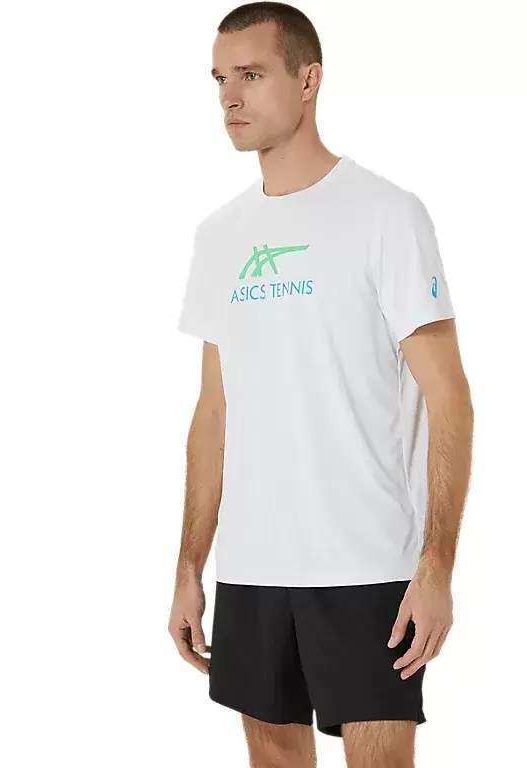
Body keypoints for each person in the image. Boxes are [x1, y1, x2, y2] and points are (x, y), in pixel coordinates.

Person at [169, 3, 474, 765]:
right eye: (219, 79)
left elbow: (449, 398)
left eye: (251, 75)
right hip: (252, 567)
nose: (229, 96)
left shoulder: (385, 214)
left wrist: (436, 565)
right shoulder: (219, 236)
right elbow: (214, 411)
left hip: (366, 565)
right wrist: (189, 567)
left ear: (309, 81)